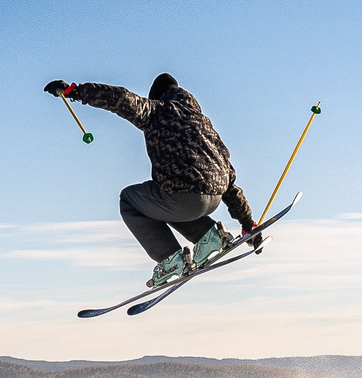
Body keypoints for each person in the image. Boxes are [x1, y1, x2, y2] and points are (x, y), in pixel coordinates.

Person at [44, 74, 261, 288]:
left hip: (183, 199)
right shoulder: (205, 126)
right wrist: (247, 223)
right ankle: (209, 237)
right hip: (213, 198)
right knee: (161, 200)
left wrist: (74, 91)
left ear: (158, 98)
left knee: (129, 200)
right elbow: (231, 183)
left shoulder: (157, 111)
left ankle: (170, 259)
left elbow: (120, 98)